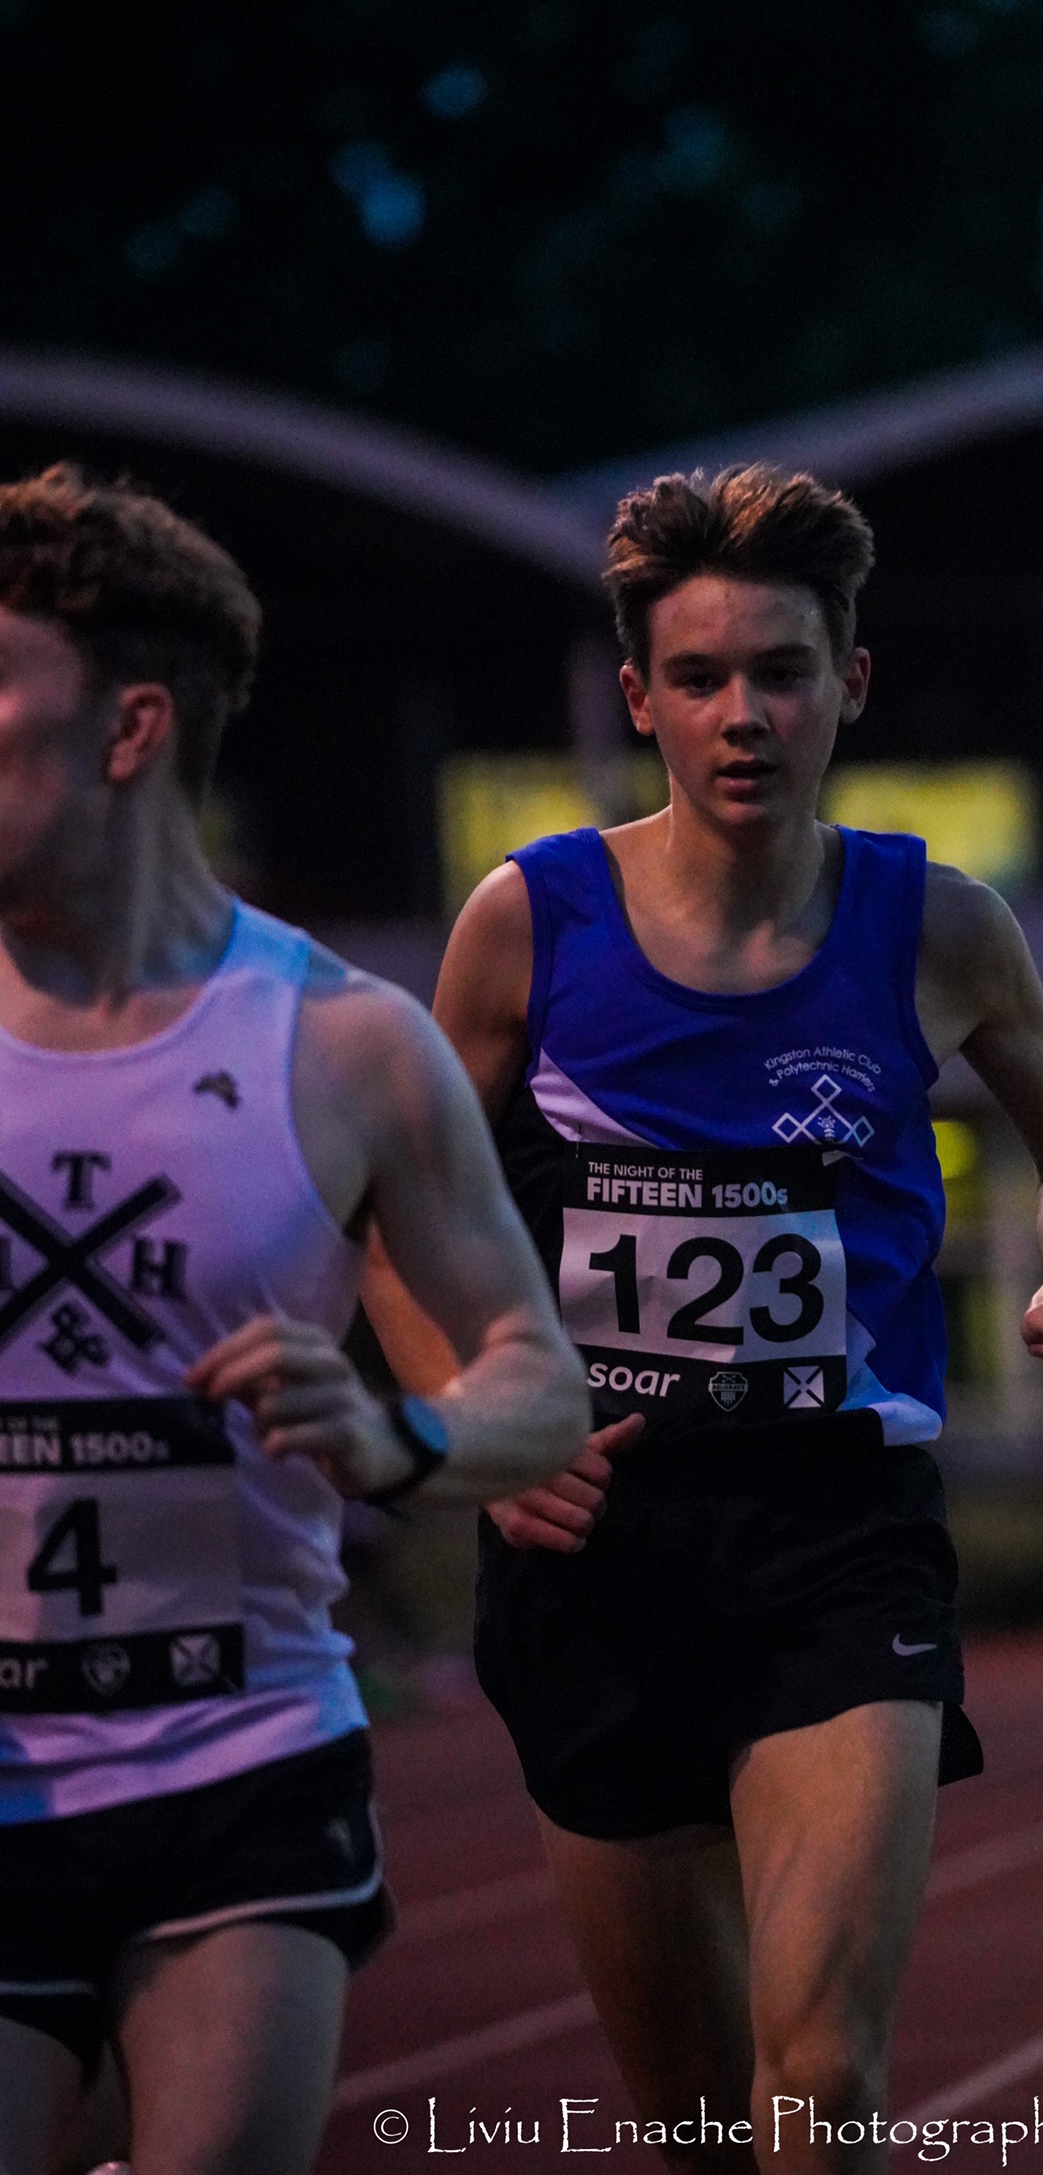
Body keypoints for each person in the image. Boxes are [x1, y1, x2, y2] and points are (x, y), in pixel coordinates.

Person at [366, 465, 1043, 2175]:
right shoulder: (527, 924)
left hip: (835, 1528)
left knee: (822, 2078)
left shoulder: (938, 925)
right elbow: (390, 1215)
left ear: (846, 684)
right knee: (703, 2125)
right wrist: (469, 1427)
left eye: (780, 673)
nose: (742, 715)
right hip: (597, 1536)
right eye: (700, 677)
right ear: (638, 696)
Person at [0, 467, 591, 2175]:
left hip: (242, 1756)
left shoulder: (344, 1042)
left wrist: (396, 1431)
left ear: (129, 728)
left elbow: (538, 1383)